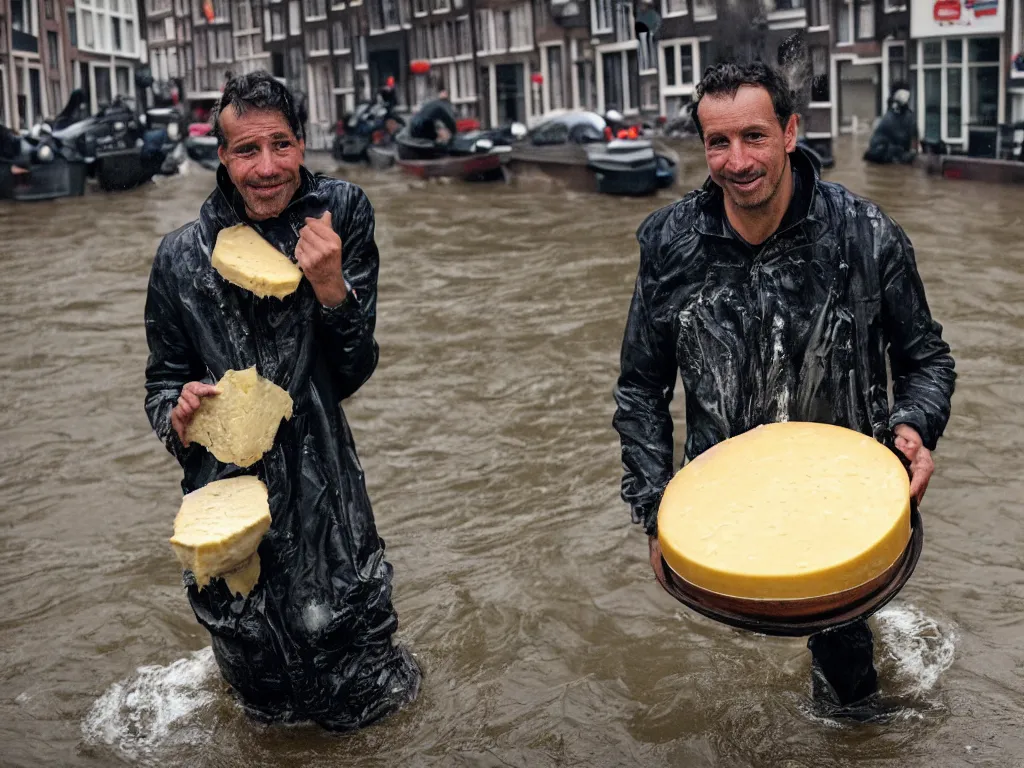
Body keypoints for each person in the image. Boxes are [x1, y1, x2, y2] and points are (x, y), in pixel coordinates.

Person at [612, 61, 955, 717]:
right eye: (718, 142)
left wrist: (913, 427)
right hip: (717, 507)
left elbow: (927, 359)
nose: (736, 160)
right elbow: (639, 390)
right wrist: (653, 509)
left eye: (754, 137)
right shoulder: (668, 244)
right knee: (701, 706)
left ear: (791, 131)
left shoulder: (867, 234)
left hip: (841, 502)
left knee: (848, 690)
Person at [143, 70, 420, 731]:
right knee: (262, 708)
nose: (267, 169)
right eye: (247, 150)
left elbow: (352, 370)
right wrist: (174, 413)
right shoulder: (181, 258)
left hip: (329, 494)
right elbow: (161, 384)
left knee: (372, 702)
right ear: (221, 155)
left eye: (282, 146)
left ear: (302, 144)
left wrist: (331, 288)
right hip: (230, 509)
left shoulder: (342, 214)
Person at [864, 85, 919, 165]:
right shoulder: (890, 118)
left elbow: (912, 135)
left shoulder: (905, 116)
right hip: (882, 152)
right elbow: (900, 137)